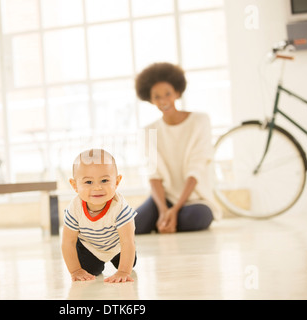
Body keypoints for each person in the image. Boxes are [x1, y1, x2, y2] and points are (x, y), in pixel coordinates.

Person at [134, 62, 221, 234]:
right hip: (163, 200)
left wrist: (175, 209)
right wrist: (163, 210)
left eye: (168, 94)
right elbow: (154, 176)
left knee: (195, 217)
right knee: (133, 225)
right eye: (157, 96)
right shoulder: (148, 131)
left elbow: (196, 169)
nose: (164, 101)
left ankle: (168, 221)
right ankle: (165, 220)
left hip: (196, 200)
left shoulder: (200, 121)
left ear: (177, 93)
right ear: (150, 100)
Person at [61, 149, 137, 282]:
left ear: (117, 181)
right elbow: (68, 242)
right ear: (75, 185)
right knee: (90, 271)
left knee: (130, 263)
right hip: (89, 246)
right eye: (88, 182)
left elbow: (127, 241)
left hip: (117, 245)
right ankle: (88, 263)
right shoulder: (74, 209)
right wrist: (75, 270)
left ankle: (124, 263)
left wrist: (123, 271)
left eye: (104, 180)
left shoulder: (119, 208)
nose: (97, 188)